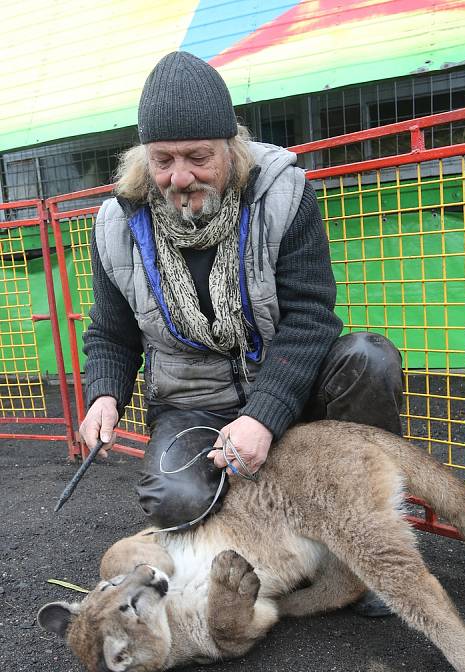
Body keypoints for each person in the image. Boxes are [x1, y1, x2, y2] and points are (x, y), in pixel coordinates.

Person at [79, 51, 403, 615]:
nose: (179, 177)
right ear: (143, 159)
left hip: (287, 387)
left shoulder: (284, 195)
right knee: (172, 499)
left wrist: (264, 415)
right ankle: (276, 555)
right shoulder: (115, 227)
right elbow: (111, 332)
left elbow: (311, 315)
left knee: (367, 359)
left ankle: (365, 557)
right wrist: (104, 394)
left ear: (231, 148)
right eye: (163, 160)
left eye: (198, 157)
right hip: (193, 401)